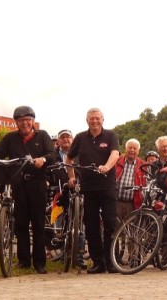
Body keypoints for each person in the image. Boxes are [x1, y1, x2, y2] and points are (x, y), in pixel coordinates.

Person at [0, 106, 56, 274]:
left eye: (27, 120)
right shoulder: (10, 138)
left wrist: (42, 159)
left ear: (33, 121)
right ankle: (24, 260)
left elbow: (52, 154)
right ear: (17, 123)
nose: (24, 123)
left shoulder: (43, 136)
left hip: (37, 185)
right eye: (20, 121)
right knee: (21, 224)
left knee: (38, 223)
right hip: (18, 184)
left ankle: (40, 263)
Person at [65, 108, 120, 274]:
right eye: (91, 119)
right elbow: (69, 158)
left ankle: (112, 261)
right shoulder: (81, 137)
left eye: (97, 118)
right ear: (86, 120)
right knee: (91, 225)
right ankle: (98, 262)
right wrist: (71, 176)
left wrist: (106, 167)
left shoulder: (111, 136)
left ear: (102, 120)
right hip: (88, 187)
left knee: (111, 222)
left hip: (107, 186)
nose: (94, 121)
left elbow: (115, 154)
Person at [51, 129, 87, 269]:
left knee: (79, 225)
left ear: (72, 139)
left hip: (77, 190)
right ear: (58, 141)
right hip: (59, 192)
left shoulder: (80, 154)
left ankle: (78, 257)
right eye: (62, 137)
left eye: (68, 137)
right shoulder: (52, 155)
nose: (65, 139)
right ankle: (61, 252)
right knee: (58, 225)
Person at [115, 138, 146, 221]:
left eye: (134, 148)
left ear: (138, 151)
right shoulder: (116, 162)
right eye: (130, 148)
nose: (132, 150)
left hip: (133, 204)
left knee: (130, 230)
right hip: (116, 202)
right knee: (114, 229)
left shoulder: (144, 166)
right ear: (125, 149)